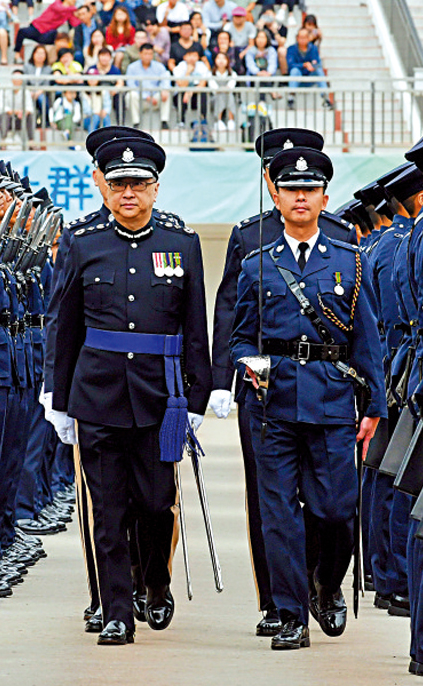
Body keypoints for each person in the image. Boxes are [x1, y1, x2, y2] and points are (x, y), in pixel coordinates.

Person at [51, 134, 212, 645]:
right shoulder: (82, 242)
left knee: (156, 501)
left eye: (138, 184)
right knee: (108, 507)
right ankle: (118, 609)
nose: (128, 194)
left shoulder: (180, 242)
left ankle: (155, 583)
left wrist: (199, 397)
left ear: (155, 188)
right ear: (104, 188)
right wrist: (57, 400)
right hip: (97, 395)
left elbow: (194, 327)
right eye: (118, 184)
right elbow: (65, 326)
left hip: (160, 398)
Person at [229, 146, 385, 651]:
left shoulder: (350, 262)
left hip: (333, 402)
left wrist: (375, 407)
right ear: (278, 198)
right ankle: (291, 613)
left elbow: (367, 341)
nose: (301, 197)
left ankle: (325, 583)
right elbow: (239, 336)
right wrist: (245, 363)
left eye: (310, 190)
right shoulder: (256, 265)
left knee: (336, 510)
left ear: (323, 198)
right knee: (278, 512)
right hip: (273, 404)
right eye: (292, 190)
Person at [209, 128, 358, 638]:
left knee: (331, 504)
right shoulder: (248, 237)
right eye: (279, 174)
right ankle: (280, 603)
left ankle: (323, 581)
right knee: (269, 500)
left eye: (305, 180)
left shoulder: (341, 235)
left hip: (327, 393)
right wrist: (224, 378)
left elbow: (359, 321)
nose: (293, 189)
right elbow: (230, 311)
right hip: (266, 392)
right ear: (269, 182)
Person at [125, 42, 171, 129]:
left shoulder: (159, 66)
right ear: (140, 54)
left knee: (166, 93)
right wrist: (146, 96)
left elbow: (165, 80)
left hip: (155, 99)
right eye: (145, 54)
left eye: (150, 54)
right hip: (140, 99)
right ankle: (136, 122)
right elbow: (131, 85)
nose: (147, 56)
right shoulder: (132, 67)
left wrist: (164, 90)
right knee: (131, 95)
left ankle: (164, 121)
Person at [15, 0, 83, 60]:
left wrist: (80, 16)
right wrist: (75, 9)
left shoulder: (69, 12)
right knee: (22, 32)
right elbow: (60, 9)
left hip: (47, 34)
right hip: (37, 28)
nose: (75, 1)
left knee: (57, 36)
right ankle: (17, 54)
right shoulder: (57, 3)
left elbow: (75, 23)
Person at [286, 26, 330, 109]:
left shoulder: (313, 48)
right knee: (294, 70)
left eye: (304, 37)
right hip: (297, 78)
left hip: (310, 77)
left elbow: (317, 63)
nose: (302, 40)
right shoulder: (291, 49)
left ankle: (325, 97)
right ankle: (291, 97)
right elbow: (291, 64)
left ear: (308, 38)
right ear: (297, 38)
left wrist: (312, 66)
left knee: (319, 70)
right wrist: (304, 65)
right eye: (300, 37)